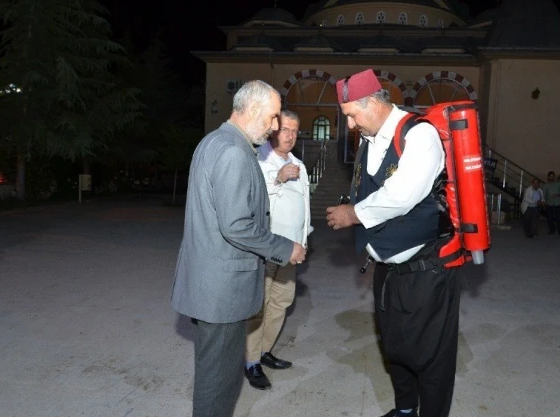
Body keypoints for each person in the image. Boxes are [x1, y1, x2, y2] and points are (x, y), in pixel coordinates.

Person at [325, 68, 462, 417]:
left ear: (372, 103)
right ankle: (404, 409)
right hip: (387, 268)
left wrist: (353, 214)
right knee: (395, 346)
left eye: (352, 115)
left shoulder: (419, 135)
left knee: (430, 356)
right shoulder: (368, 138)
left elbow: (401, 195)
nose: (350, 125)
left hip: (427, 271)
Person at [170, 80, 307, 417]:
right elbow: (236, 226)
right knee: (219, 382)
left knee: (214, 374)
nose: (274, 126)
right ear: (254, 109)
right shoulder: (233, 151)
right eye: (272, 117)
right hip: (222, 291)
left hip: (210, 283)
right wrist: (284, 247)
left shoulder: (214, 141)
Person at [244, 109, 313, 390]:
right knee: (258, 305)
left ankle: (264, 351)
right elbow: (253, 200)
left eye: (295, 131)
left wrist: (304, 238)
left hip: (291, 248)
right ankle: (251, 362)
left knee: (281, 302)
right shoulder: (258, 159)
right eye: (285, 129)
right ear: (273, 130)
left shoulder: (299, 164)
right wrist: (278, 179)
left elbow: (304, 206)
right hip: (267, 246)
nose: (290, 135)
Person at [542, 171, 560, 236]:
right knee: (550, 218)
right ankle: (552, 230)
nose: (552, 177)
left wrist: (559, 195)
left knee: (559, 218)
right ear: (548, 177)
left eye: (553, 176)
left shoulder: (559, 184)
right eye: (551, 176)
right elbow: (544, 196)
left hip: (558, 204)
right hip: (549, 204)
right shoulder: (545, 185)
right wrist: (544, 204)